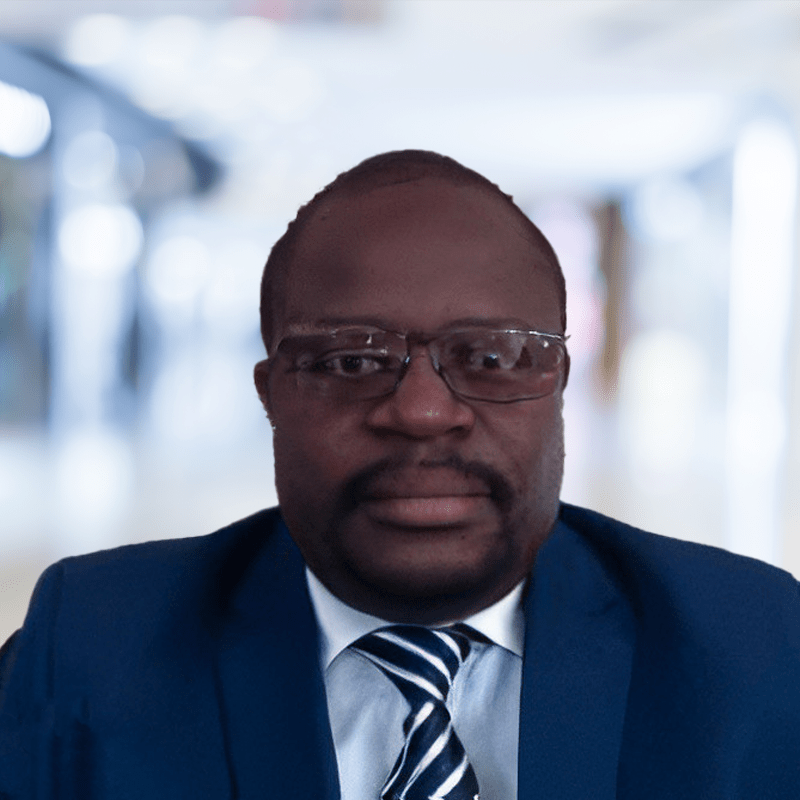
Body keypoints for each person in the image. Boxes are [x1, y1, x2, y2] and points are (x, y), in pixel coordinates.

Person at [1, 150, 799, 800]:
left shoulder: (751, 647)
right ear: (271, 396)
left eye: (492, 357)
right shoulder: (91, 650)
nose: (421, 411)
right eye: (350, 360)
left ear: (557, 385)